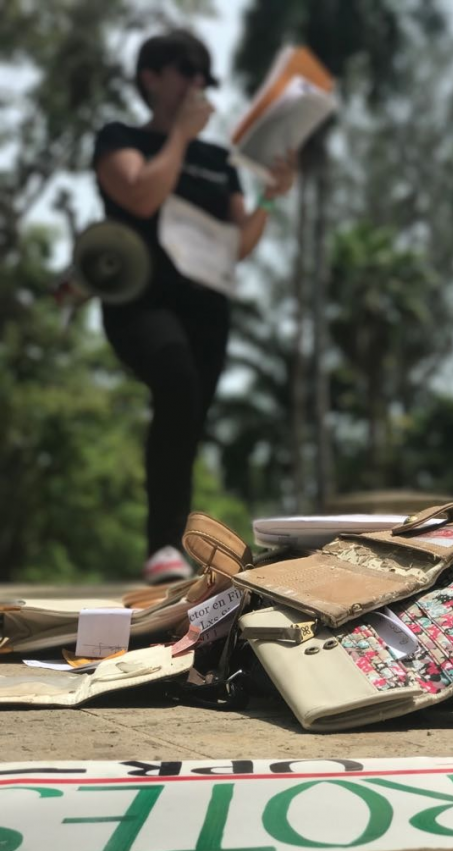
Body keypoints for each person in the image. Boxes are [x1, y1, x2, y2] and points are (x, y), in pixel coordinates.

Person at [92, 29, 296, 584]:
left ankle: (175, 549)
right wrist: (179, 136)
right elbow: (139, 194)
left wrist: (271, 196)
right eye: (186, 70)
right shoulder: (119, 138)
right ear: (150, 76)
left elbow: (241, 245)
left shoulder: (216, 159)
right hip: (140, 301)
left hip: (207, 309)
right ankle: (162, 543)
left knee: (187, 417)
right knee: (176, 379)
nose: (197, 84)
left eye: (205, 77)